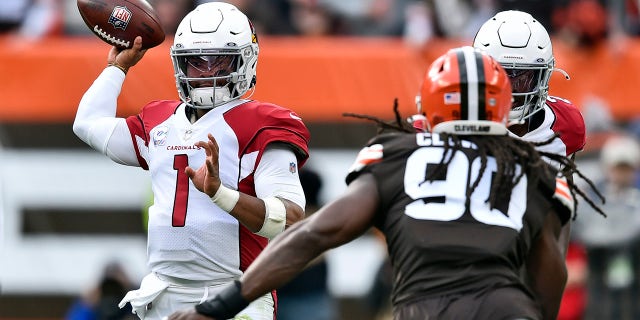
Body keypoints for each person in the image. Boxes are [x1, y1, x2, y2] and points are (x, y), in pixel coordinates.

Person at [167, 46, 596, 320]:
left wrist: (220, 307)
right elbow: (550, 276)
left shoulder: (397, 156)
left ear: (428, 108)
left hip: (423, 310)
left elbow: (316, 234)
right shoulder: (535, 170)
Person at [72, 2, 310, 320]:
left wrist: (220, 194)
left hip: (233, 295)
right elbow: (87, 123)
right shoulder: (159, 120)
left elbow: (291, 220)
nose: (207, 72)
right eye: (196, 62)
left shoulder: (263, 123)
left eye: (219, 61)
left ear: (245, 60)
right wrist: (117, 68)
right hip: (161, 293)